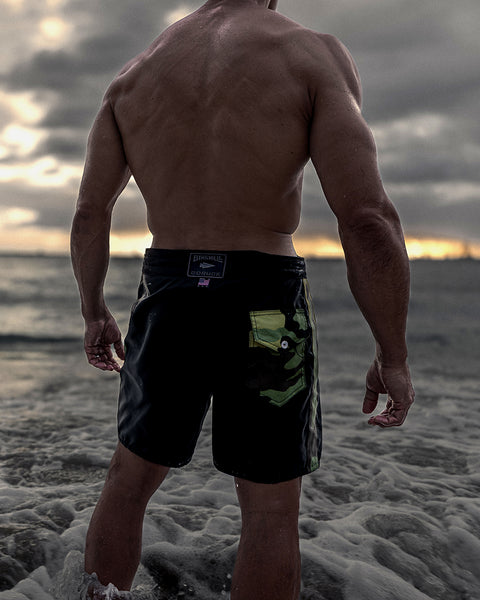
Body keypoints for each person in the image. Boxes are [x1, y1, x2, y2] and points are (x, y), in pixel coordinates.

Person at [70, 0, 415, 598]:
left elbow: (89, 212)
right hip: (263, 300)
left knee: (128, 481)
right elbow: (366, 219)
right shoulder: (311, 54)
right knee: (270, 509)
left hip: (169, 289)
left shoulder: (134, 75)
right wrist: (393, 353)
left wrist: (93, 309)